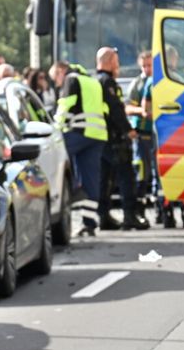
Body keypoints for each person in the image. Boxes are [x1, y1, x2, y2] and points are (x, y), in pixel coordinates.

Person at [50, 59, 109, 234]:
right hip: (98, 135)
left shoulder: (71, 79)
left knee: (54, 157)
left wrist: (54, 130)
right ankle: (89, 223)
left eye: (55, 78)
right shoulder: (92, 81)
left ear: (61, 71)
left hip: (80, 132)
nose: (56, 83)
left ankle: (74, 188)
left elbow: (65, 105)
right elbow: (104, 108)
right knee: (91, 179)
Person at [95, 46, 148, 229]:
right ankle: (129, 216)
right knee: (126, 178)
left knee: (105, 180)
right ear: (109, 62)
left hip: (102, 138)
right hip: (115, 138)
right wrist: (129, 130)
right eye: (116, 61)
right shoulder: (108, 82)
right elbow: (116, 110)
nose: (118, 66)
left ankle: (102, 216)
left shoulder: (96, 81)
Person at [126, 51, 156, 208]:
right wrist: (142, 112)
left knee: (157, 171)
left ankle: (160, 206)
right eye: (144, 66)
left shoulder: (160, 82)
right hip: (141, 132)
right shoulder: (136, 84)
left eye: (150, 65)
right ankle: (140, 206)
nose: (147, 69)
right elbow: (127, 108)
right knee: (141, 171)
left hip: (159, 132)